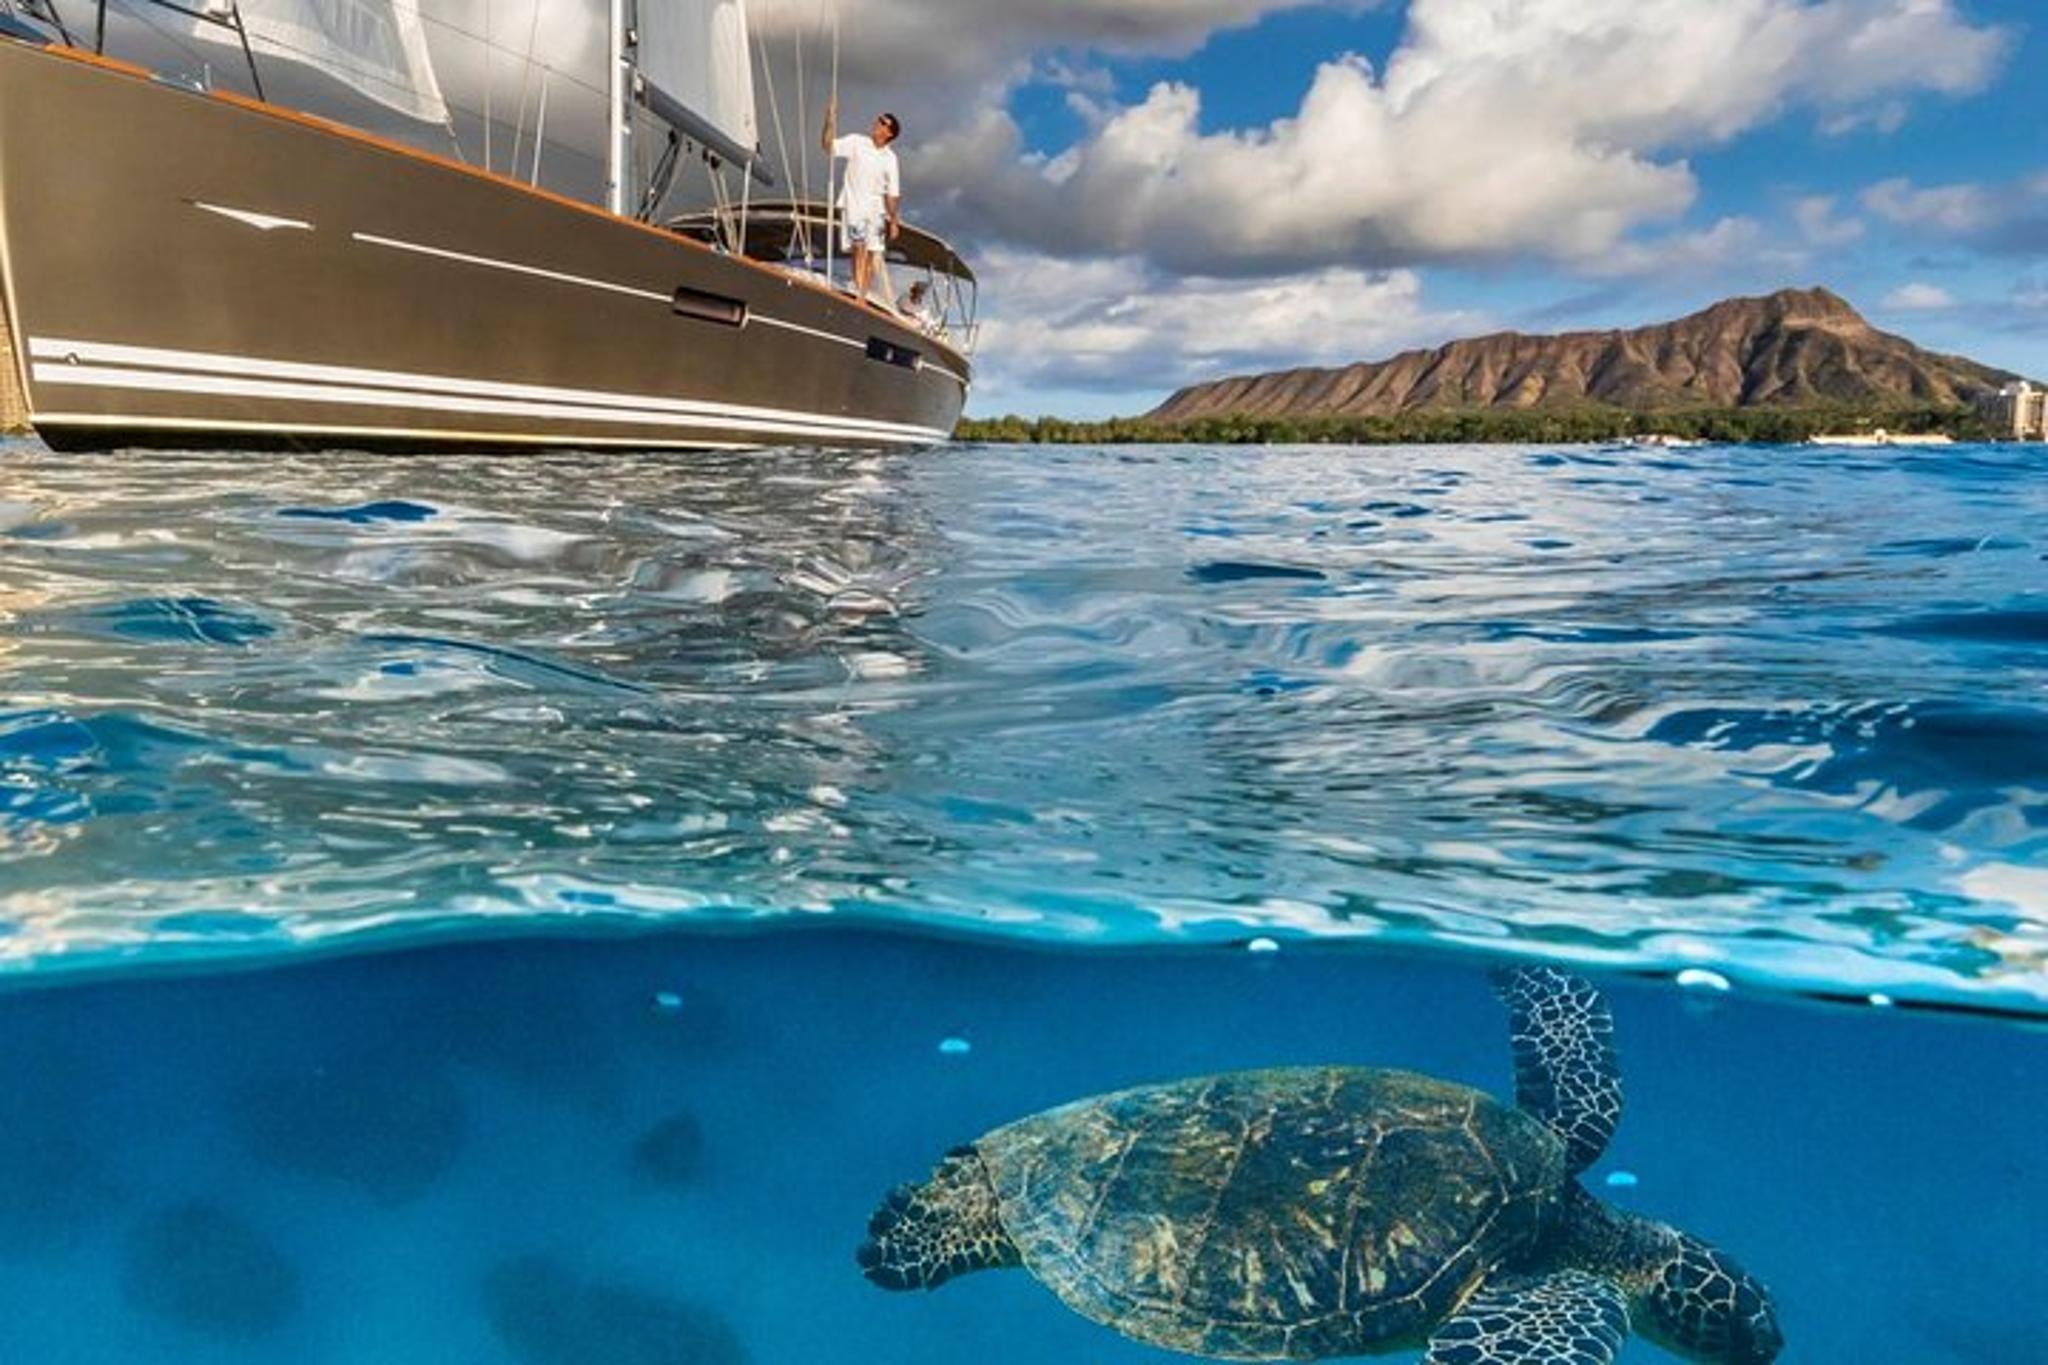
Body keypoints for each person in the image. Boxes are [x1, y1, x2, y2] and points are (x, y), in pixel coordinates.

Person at [821, 100, 901, 304]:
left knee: (872, 254)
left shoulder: (890, 158)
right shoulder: (857, 142)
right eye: (878, 120)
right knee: (859, 248)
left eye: (882, 122)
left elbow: (892, 193)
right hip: (854, 205)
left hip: (876, 210)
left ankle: (862, 295)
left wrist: (893, 221)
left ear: (889, 133)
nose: (877, 123)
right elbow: (828, 147)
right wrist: (829, 120)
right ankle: (859, 294)